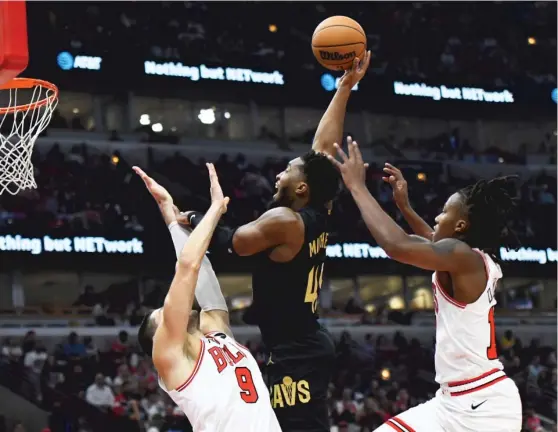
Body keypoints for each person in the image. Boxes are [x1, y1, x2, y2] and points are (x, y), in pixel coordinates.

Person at [179, 53, 370, 431]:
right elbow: (322, 150)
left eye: (287, 170)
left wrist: (193, 218)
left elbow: (231, 242)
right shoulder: (319, 207)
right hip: (302, 342)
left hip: (296, 349)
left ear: (300, 187)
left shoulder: (284, 220)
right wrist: (344, 88)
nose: (279, 173)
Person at [328, 139, 522, 432]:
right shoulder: (468, 259)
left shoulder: (463, 257)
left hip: (482, 406)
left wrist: (357, 187)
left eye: (444, 212)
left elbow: (398, 246)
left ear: (460, 227)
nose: (437, 217)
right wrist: (404, 207)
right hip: (452, 401)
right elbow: (431, 240)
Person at [134, 164, 281, 432]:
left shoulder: (216, 334)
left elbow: (201, 270)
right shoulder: (172, 359)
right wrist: (214, 209)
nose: (172, 312)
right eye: (164, 317)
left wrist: (171, 216)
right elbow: (187, 268)